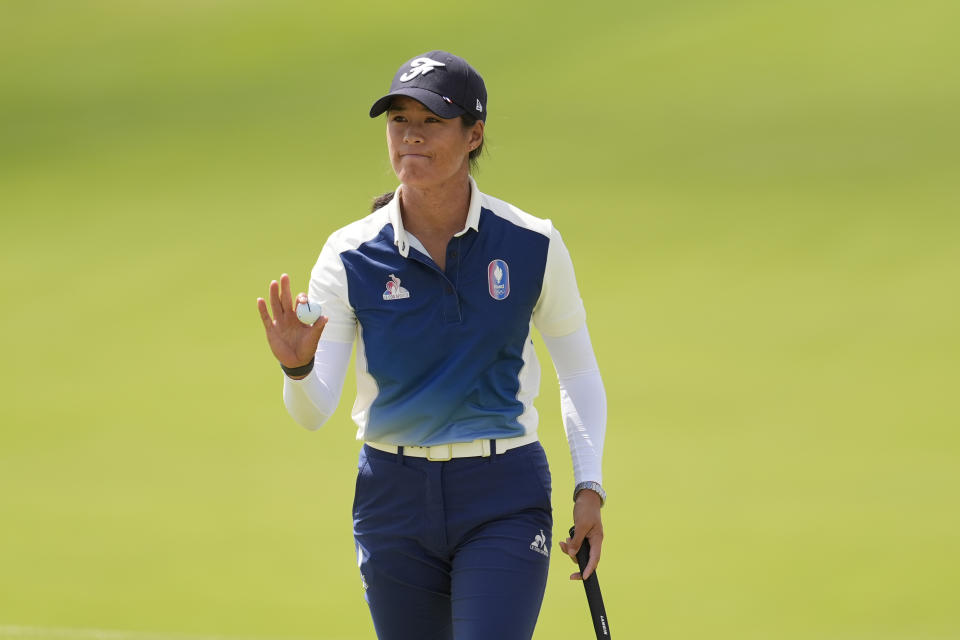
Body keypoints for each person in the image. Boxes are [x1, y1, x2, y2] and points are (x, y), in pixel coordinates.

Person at [256, 50, 607, 640]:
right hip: (393, 502)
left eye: (431, 122)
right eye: (399, 121)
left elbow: (578, 373)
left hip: (503, 493)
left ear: (475, 135)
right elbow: (314, 412)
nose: (410, 138)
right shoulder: (348, 255)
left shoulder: (533, 244)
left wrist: (588, 489)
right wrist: (297, 368)